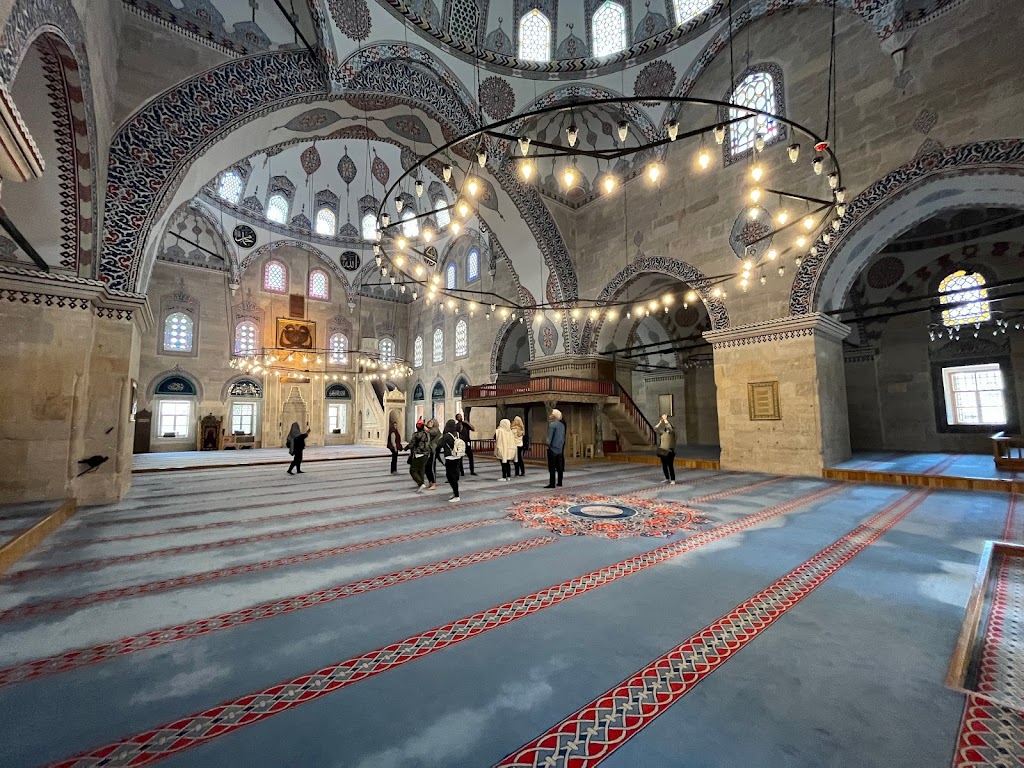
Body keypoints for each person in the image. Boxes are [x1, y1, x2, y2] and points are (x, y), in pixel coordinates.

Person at [440, 419, 462, 501]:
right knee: (454, 475)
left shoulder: (447, 436)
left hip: (450, 457)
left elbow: (439, 444)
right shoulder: (456, 434)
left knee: (450, 476)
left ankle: (456, 496)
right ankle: (455, 493)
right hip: (457, 456)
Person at [407, 420, 431, 492]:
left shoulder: (416, 435)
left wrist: (405, 448)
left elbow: (411, 444)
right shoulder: (427, 434)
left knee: (413, 470)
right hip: (426, 454)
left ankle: (420, 484)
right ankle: (421, 486)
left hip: (418, 454)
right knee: (421, 470)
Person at [544, 408, 565, 488]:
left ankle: (552, 483)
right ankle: (560, 482)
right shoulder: (562, 425)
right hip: (560, 448)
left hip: (552, 448)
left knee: (552, 467)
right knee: (559, 466)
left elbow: (549, 437)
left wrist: (548, 445)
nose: (550, 416)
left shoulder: (552, 425)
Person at [656, 413, 677, 485]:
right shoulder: (663, 433)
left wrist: (665, 419)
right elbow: (655, 428)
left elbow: (669, 428)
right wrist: (660, 422)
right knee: (664, 466)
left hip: (670, 451)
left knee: (670, 466)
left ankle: (673, 479)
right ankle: (667, 478)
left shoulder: (672, 433)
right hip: (663, 451)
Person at [425, 418, 441, 490]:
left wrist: (425, 427)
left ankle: (434, 483)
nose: (429, 423)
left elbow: (432, 432)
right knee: (426, 467)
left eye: (431, 422)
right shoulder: (428, 429)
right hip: (428, 450)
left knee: (431, 467)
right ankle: (430, 482)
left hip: (433, 450)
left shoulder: (436, 429)